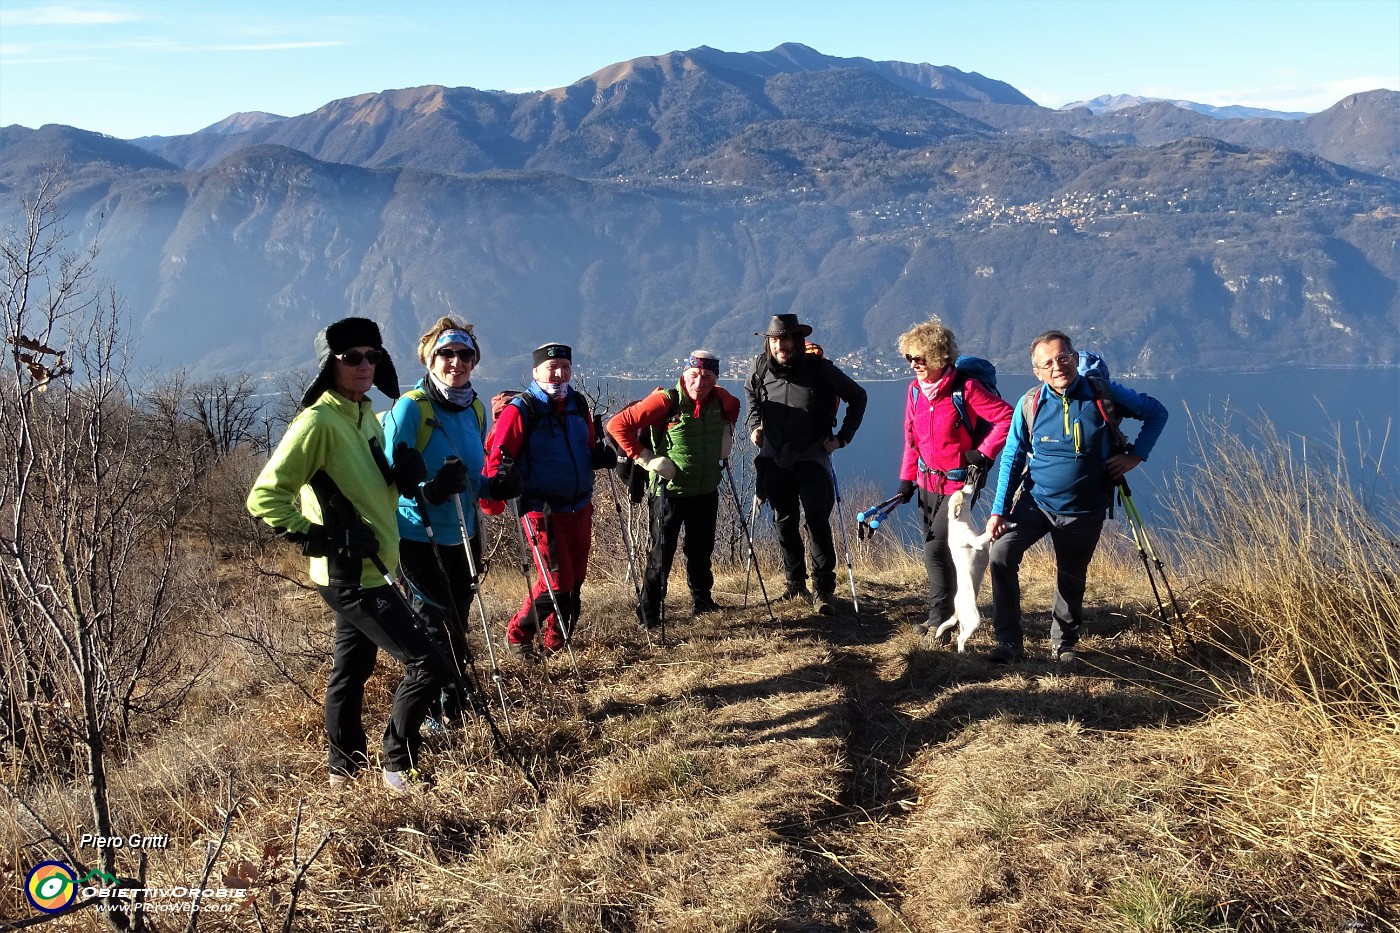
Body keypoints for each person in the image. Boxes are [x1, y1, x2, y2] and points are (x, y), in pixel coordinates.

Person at [247, 317, 457, 791]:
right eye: (351, 357)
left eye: (372, 356)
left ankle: (343, 767)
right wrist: (322, 536)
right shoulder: (317, 422)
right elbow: (264, 498)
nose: (364, 365)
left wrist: (402, 478)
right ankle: (398, 766)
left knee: (353, 668)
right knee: (429, 664)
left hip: (373, 567)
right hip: (350, 573)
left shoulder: (363, 413)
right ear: (330, 365)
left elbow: (363, 488)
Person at [985, 329, 1169, 664]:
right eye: (1048, 363)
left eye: (1063, 358)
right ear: (1037, 372)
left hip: (1084, 508)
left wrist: (1134, 457)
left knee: (1071, 573)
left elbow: (1156, 413)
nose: (1058, 367)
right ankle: (1009, 642)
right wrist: (999, 510)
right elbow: (1012, 456)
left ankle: (1064, 643)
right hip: (1035, 502)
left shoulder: (1101, 392)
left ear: (1074, 358)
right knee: (1001, 553)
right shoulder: (1030, 404)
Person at [383, 318, 519, 726]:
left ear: (474, 360)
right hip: (418, 536)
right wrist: (432, 489)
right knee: (431, 629)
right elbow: (388, 476)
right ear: (430, 358)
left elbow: (476, 480)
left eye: (464, 354)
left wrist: (499, 486)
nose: (455, 362)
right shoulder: (411, 408)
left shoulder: (475, 407)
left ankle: (455, 695)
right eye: (446, 353)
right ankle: (430, 713)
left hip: (465, 534)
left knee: (458, 620)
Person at [481, 343, 615, 658]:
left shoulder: (577, 403)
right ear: (536, 372)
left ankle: (556, 642)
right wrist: (493, 500)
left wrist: (600, 456)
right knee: (556, 582)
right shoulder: (521, 410)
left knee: (576, 578)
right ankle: (518, 635)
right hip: (543, 510)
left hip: (580, 505)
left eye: (565, 367)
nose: (559, 373)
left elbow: (583, 447)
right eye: (551, 367)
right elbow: (498, 459)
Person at [895, 318, 1013, 637]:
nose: (915, 364)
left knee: (936, 546)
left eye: (922, 358)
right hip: (926, 483)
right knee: (935, 547)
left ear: (942, 357)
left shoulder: (966, 388)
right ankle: (947, 613)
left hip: (960, 484)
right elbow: (911, 438)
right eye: (910, 357)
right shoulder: (916, 392)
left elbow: (1007, 418)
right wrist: (907, 479)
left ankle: (938, 618)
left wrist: (985, 452)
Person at [607, 350, 742, 628]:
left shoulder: (721, 400)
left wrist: (728, 431)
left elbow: (735, 407)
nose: (699, 383)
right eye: (694, 375)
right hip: (669, 493)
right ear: (684, 374)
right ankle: (650, 612)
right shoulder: (666, 401)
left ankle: (702, 601)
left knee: (701, 550)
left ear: (715, 378)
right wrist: (647, 459)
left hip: (705, 490)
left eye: (707, 377)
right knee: (661, 554)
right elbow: (617, 425)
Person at [744, 313, 867, 615]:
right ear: (769, 343)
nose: (781, 345)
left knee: (816, 519)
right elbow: (751, 398)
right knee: (784, 521)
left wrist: (842, 438)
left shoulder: (819, 370)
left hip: (812, 456)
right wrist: (755, 425)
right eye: (776, 339)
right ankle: (794, 583)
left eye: (786, 338)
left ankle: (823, 589)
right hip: (774, 457)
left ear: (797, 340)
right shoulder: (759, 369)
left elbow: (858, 397)